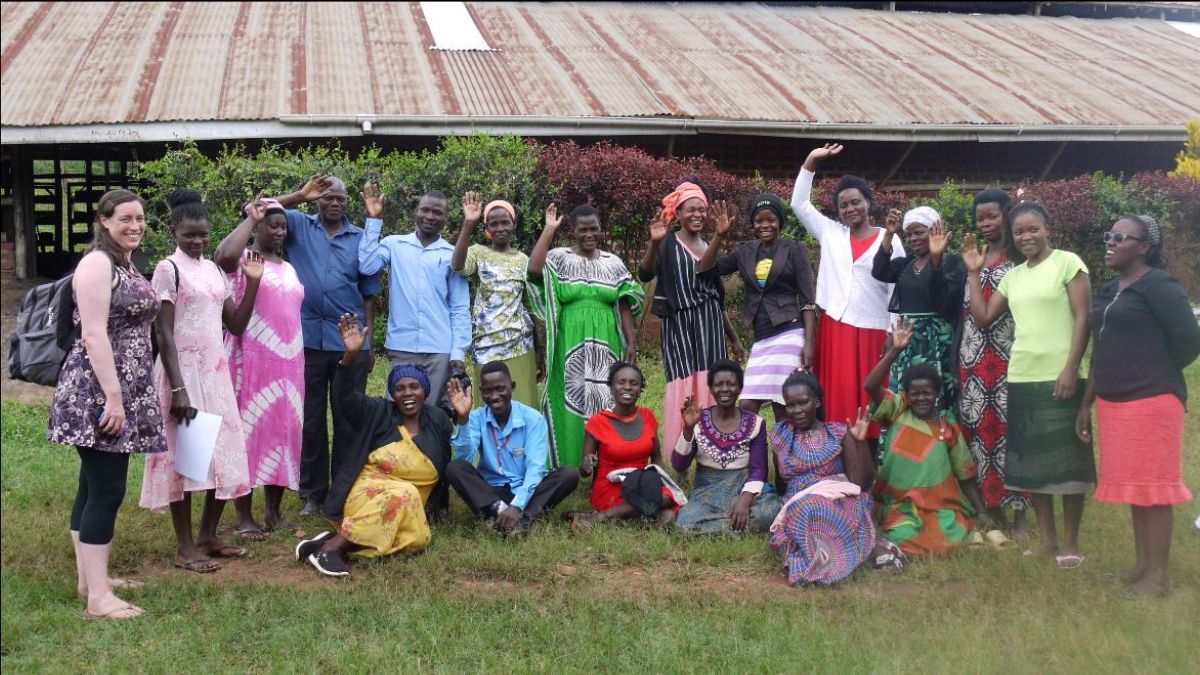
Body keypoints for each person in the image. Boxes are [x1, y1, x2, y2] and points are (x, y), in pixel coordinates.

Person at [48, 189, 165, 620]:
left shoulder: (123, 263)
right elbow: (93, 334)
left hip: (119, 386)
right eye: (124, 219)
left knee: (92, 485)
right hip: (99, 391)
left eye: (140, 219)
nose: (135, 226)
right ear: (103, 220)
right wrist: (114, 399)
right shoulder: (97, 264)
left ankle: (89, 581)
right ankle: (99, 600)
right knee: (108, 490)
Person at [963, 201, 1094, 568]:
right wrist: (974, 273)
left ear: (1047, 227)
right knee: (1035, 467)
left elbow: (1084, 317)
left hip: (1061, 377)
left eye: (1033, 229)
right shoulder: (1013, 276)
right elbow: (984, 317)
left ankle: (1070, 543)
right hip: (1020, 377)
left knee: (1068, 463)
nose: (1026, 237)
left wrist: (1070, 368)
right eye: (1020, 232)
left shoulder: (1068, 263)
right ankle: (1047, 540)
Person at [1076, 216, 1200, 596]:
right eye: (1107, 235)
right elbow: (1101, 348)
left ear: (1144, 246)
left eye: (1120, 237)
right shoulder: (1112, 288)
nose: (1109, 242)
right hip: (1114, 404)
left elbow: (1190, 341)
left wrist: (1155, 369)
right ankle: (1142, 566)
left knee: (1155, 487)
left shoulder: (1160, 286)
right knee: (1137, 487)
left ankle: (1158, 577)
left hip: (1152, 401)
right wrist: (1086, 404)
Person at [140, 190, 260, 572]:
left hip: (216, 373)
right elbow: (164, 333)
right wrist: (178, 388)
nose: (197, 241)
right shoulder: (167, 270)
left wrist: (253, 282)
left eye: (203, 235)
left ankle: (208, 535)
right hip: (184, 374)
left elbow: (236, 325)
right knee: (189, 459)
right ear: (175, 230)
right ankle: (185, 546)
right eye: (189, 234)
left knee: (223, 452)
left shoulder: (214, 271)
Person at [295, 315, 452, 577]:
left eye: (414, 387)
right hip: (368, 495)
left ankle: (327, 540)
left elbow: (453, 462)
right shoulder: (378, 412)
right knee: (405, 492)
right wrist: (349, 358)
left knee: (418, 540)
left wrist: (466, 419)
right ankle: (332, 548)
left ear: (424, 391)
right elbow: (345, 400)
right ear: (393, 394)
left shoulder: (437, 420)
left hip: (409, 508)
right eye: (400, 388)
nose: (407, 393)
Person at [267, 175, 380, 518]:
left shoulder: (360, 237)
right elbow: (260, 209)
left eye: (340, 198)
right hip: (305, 339)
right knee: (311, 419)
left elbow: (369, 292)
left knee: (347, 417)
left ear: (347, 202)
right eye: (327, 197)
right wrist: (299, 195)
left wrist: (368, 341)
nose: (334, 202)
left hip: (348, 341)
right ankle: (313, 493)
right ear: (317, 200)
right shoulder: (300, 225)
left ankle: (343, 491)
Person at [791, 144, 905, 442]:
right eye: (843, 206)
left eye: (856, 202)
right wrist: (811, 161)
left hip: (873, 329)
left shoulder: (887, 237)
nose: (850, 209)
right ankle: (840, 460)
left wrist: (893, 331)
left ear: (868, 202)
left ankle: (873, 464)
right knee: (839, 399)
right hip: (836, 329)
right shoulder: (830, 233)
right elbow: (800, 204)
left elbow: (897, 288)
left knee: (872, 397)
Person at [214, 198, 305, 539]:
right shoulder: (242, 259)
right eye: (273, 226)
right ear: (258, 227)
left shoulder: (289, 267)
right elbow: (221, 257)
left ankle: (273, 512)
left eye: (283, 227)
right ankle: (243, 516)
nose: (280, 232)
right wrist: (250, 220)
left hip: (289, 364)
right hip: (250, 360)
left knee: (282, 432)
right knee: (248, 433)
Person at [528, 204, 643, 468]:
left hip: (607, 341)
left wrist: (631, 341)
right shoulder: (559, 257)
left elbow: (625, 302)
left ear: (601, 230)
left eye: (594, 229)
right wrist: (548, 229)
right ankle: (569, 463)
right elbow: (534, 271)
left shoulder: (613, 263)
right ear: (573, 231)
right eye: (582, 230)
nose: (589, 234)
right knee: (569, 398)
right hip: (569, 340)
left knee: (604, 396)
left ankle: (606, 461)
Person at [865, 319, 987, 560]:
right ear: (907, 395)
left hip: (939, 506)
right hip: (899, 505)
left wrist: (982, 511)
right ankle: (897, 547)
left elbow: (965, 474)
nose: (921, 398)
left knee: (951, 534)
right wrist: (894, 351)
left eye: (927, 392)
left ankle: (906, 550)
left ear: (936, 394)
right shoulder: (897, 409)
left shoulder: (948, 426)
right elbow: (870, 386)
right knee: (902, 532)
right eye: (915, 393)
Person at [640, 183, 744, 453]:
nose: (697, 214)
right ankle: (682, 452)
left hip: (710, 325)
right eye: (690, 209)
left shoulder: (707, 243)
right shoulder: (668, 241)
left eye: (702, 209)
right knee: (684, 384)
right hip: (680, 326)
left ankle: (714, 447)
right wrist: (654, 243)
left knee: (713, 383)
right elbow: (645, 274)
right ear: (679, 212)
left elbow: (715, 296)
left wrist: (733, 339)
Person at [696, 193, 817, 420]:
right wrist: (719, 236)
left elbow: (808, 300)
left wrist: (809, 342)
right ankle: (756, 455)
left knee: (785, 408)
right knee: (748, 406)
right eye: (759, 220)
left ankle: (782, 456)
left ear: (779, 221)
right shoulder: (745, 251)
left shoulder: (794, 249)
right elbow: (704, 270)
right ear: (753, 224)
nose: (765, 225)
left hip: (789, 334)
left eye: (771, 219)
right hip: (761, 340)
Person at [956, 188, 1029, 539]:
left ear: (1007, 214)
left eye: (992, 216)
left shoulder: (1019, 259)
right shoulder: (971, 255)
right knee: (979, 435)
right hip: (972, 361)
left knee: (1011, 435)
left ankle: (1022, 518)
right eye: (980, 217)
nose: (985, 223)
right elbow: (964, 313)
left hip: (1009, 358)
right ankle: (990, 510)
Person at [444, 362, 580, 537]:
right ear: (480, 390)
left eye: (500, 389)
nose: (494, 396)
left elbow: (535, 469)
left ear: (512, 386)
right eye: (487, 391)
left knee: (568, 474)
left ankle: (521, 520)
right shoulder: (476, 417)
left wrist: (517, 505)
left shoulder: (532, 419)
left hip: (526, 490)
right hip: (492, 492)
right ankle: (502, 512)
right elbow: (465, 458)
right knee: (455, 468)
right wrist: (463, 419)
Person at [359, 189, 470, 404]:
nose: (430, 216)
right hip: (402, 346)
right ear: (415, 212)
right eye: (425, 210)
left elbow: (459, 308)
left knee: (431, 415)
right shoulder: (394, 244)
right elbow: (366, 266)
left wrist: (457, 352)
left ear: (446, 217)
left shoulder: (451, 254)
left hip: (439, 349)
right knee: (397, 414)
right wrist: (373, 220)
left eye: (437, 212)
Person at [769, 371, 876, 585]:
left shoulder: (838, 433)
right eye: (791, 405)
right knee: (807, 508)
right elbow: (781, 483)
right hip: (797, 503)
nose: (797, 410)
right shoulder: (781, 435)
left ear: (816, 402)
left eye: (803, 402)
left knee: (819, 507)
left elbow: (861, 483)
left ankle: (826, 563)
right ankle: (823, 560)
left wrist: (861, 443)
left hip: (838, 500)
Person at [450, 193, 540, 408]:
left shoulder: (523, 260)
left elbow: (530, 306)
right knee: (490, 405)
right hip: (486, 343)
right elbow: (457, 266)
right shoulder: (478, 253)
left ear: (513, 224)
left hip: (521, 344)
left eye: (505, 222)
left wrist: (539, 350)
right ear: (487, 227)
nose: (500, 228)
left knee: (523, 403)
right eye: (494, 223)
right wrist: (468, 223)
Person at [872, 206, 964, 412]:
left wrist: (936, 260)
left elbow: (946, 302)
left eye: (919, 232)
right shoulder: (905, 265)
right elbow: (879, 271)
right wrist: (889, 233)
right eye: (909, 234)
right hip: (907, 341)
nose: (913, 238)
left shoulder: (952, 262)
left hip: (937, 341)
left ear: (935, 231)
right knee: (907, 396)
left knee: (936, 395)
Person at [673, 360, 781, 535]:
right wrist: (688, 429)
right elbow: (679, 465)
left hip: (743, 486)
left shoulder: (755, 423)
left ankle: (716, 528)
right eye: (718, 384)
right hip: (707, 491)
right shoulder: (698, 419)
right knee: (684, 523)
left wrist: (745, 500)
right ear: (711, 388)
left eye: (731, 384)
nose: (725, 389)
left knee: (771, 511)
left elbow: (759, 470)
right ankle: (735, 527)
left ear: (740, 388)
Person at [572, 363, 681, 532]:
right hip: (610, 486)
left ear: (640, 388)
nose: (627, 387)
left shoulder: (647, 417)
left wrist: (659, 480)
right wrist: (586, 464)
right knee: (661, 506)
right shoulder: (597, 422)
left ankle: (604, 517)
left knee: (666, 497)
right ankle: (605, 517)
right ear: (611, 387)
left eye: (634, 383)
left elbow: (657, 458)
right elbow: (584, 472)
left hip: (640, 482)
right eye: (621, 382)